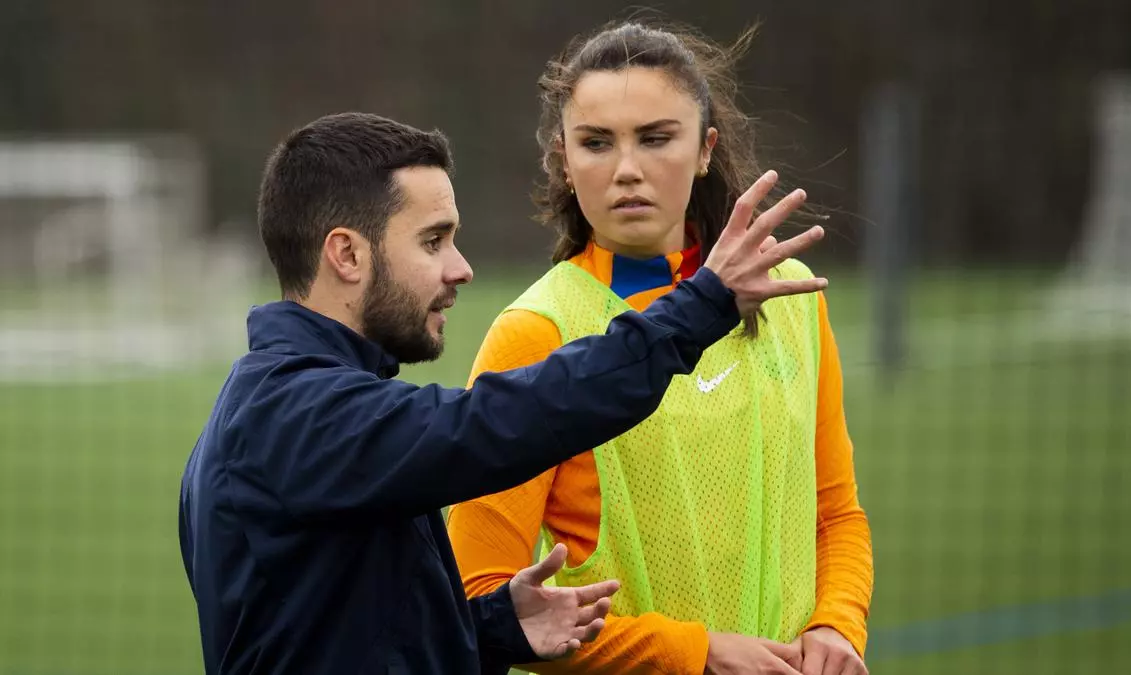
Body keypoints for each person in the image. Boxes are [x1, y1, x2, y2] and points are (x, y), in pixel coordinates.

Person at [177, 111, 829, 675]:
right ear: (346, 255)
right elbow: (497, 422)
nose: (461, 267)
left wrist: (494, 629)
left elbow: (353, 640)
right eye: (433, 240)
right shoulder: (293, 416)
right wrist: (698, 307)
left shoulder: (298, 408)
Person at [447, 20, 873, 675]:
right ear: (563, 158)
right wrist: (691, 655)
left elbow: (835, 514)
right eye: (596, 143)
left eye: (655, 138)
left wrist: (836, 625)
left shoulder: (791, 296)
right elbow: (480, 599)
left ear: (705, 149)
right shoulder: (537, 330)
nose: (627, 170)